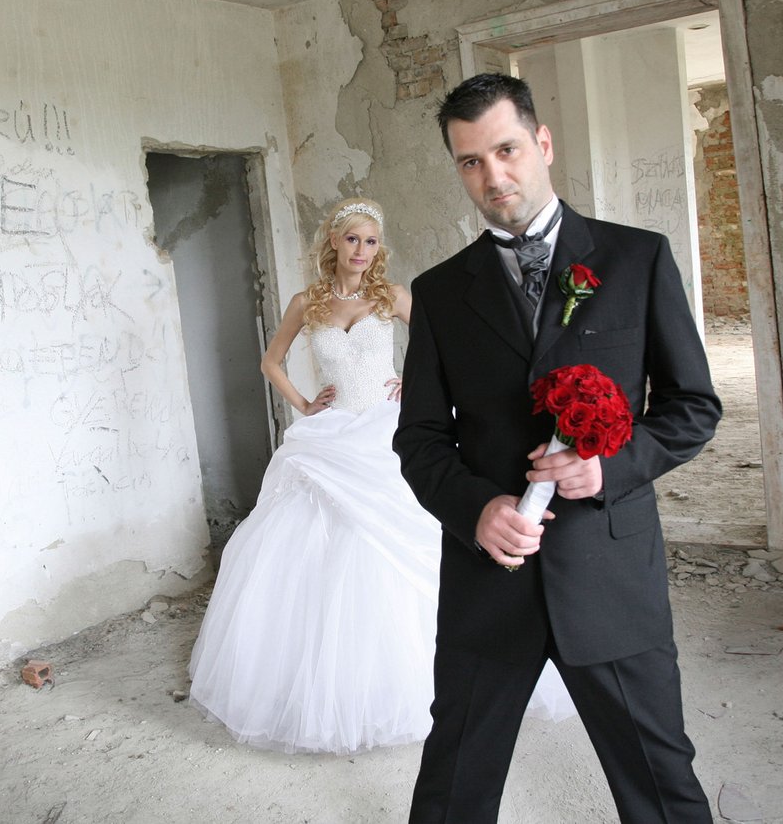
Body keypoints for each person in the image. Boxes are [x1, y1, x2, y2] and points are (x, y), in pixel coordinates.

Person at [394, 74, 722, 822]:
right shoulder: (442, 292)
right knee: (454, 782)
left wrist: (608, 467)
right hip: (490, 577)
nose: (493, 176)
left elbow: (692, 407)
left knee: (660, 778)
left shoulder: (636, 260)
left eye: (506, 150)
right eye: (470, 161)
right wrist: (477, 509)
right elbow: (418, 437)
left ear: (541, 144)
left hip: (609, 571)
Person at [188, 197, 573, 755]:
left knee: (403, 538)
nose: (362, 251)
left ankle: (427, 677)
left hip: (383, 431)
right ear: (333, 243)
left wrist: (414, 385)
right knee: (310, 545)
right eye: (352, 240)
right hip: (330, 433)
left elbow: (452, 348)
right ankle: (315, 677)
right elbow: (271, 360)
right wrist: (303, 404)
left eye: (371, 241)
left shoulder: (390, 296)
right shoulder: (307, 301)